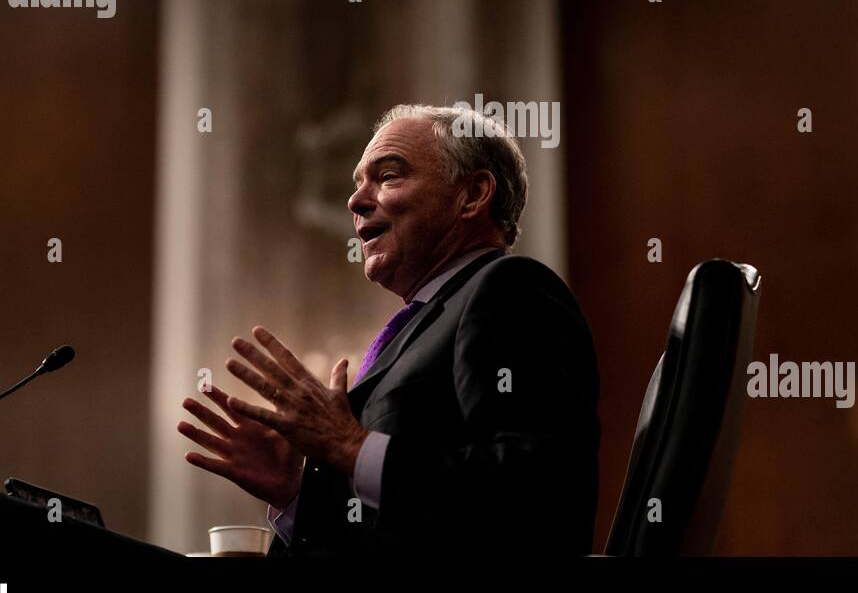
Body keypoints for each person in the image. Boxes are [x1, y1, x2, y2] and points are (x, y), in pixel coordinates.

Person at [177, 103, 600, 556]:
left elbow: (532, 494)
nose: (355, 201)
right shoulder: (418, 324)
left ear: (473, 194)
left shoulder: (511, 290)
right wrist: (296, 493)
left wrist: (348, 445)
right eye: (358, 183)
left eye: (389, 176)